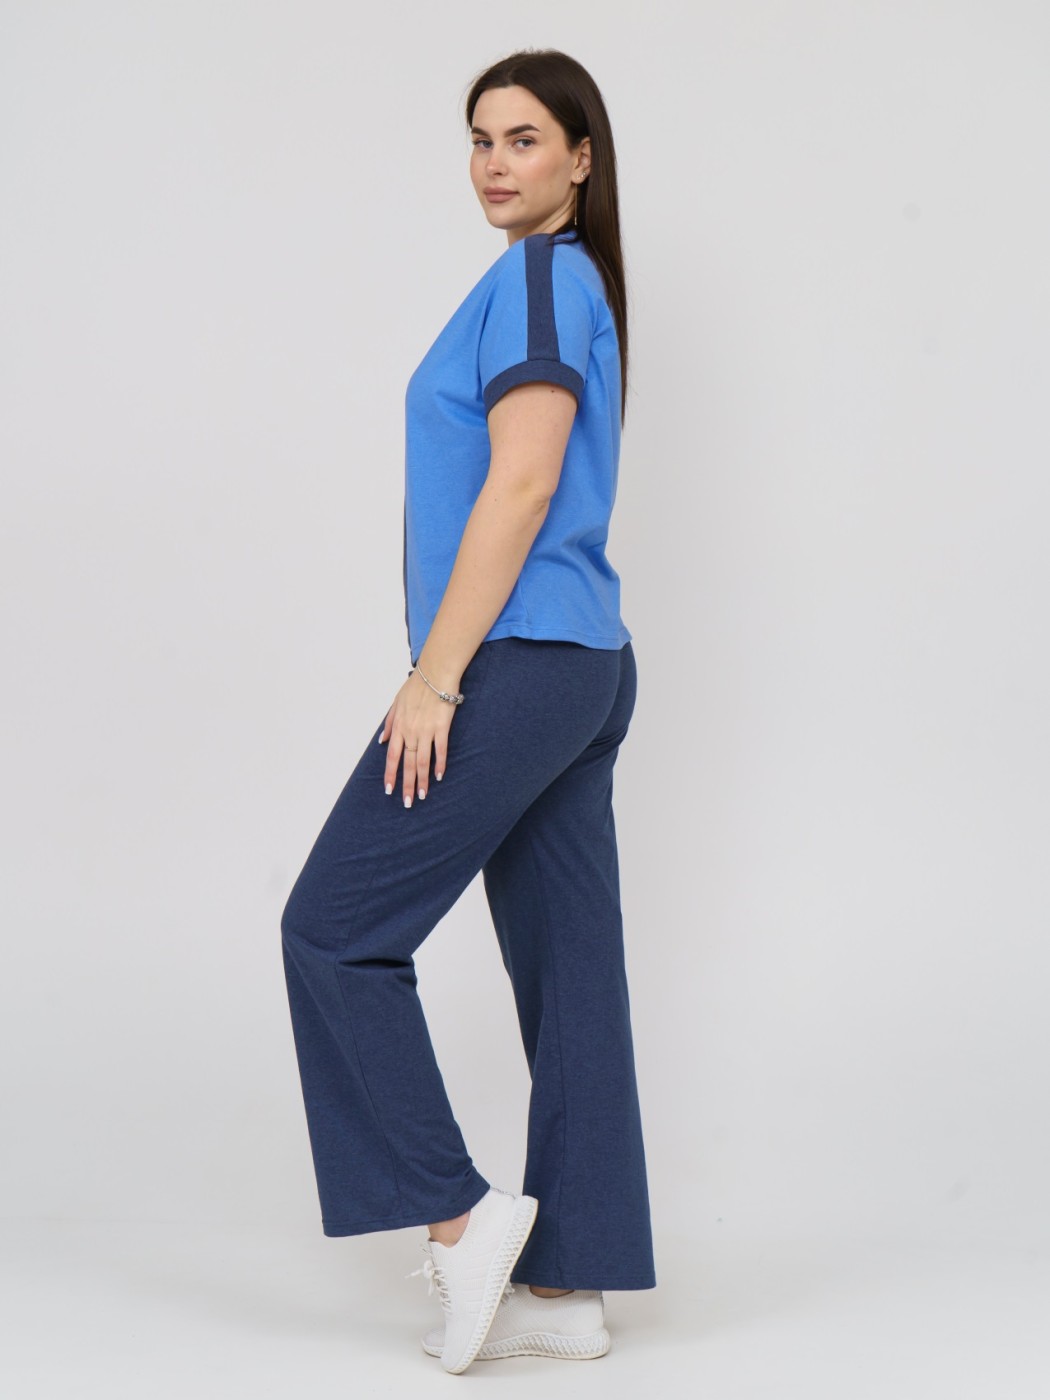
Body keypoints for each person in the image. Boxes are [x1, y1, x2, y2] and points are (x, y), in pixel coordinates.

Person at [280, 47, 656, 1374]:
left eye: (524, 139)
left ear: (580, 158)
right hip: (580, 664)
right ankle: (571, 1286)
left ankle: (460, 1219)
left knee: (332, 932)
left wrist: (434, 677)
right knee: (573, 980)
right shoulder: (560, 280)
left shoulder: (543, 279)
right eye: (480, 140)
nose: (496, 163)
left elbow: (523, 480)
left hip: (518, 663)